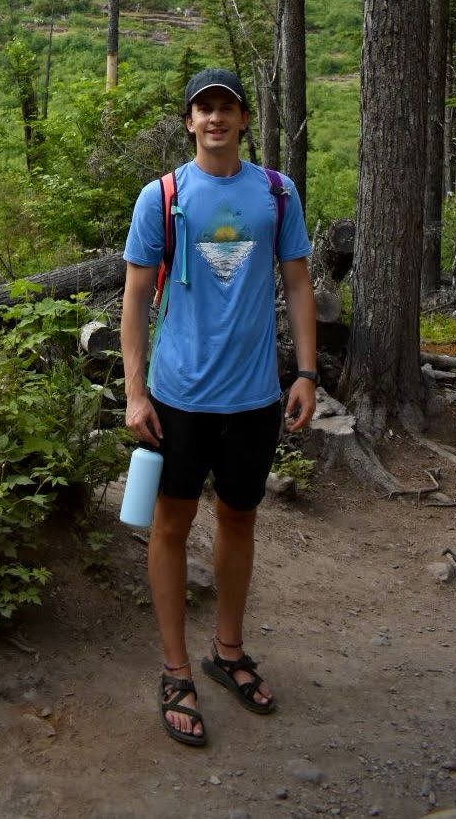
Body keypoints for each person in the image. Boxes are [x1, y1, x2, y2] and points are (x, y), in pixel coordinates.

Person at [121, 68, 317, 747]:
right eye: (203, 108)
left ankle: (227, 651)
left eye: (226, 108)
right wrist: (135, 392)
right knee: (170, 526)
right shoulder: (163, 197)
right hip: (178, 399)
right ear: (188, 121)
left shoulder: (275, 193)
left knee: (239, 516)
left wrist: (307, 374)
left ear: (242, 119)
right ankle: (176, 669)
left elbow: (296, 283)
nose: (215, 118)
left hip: (256, 397)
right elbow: (135, 300)